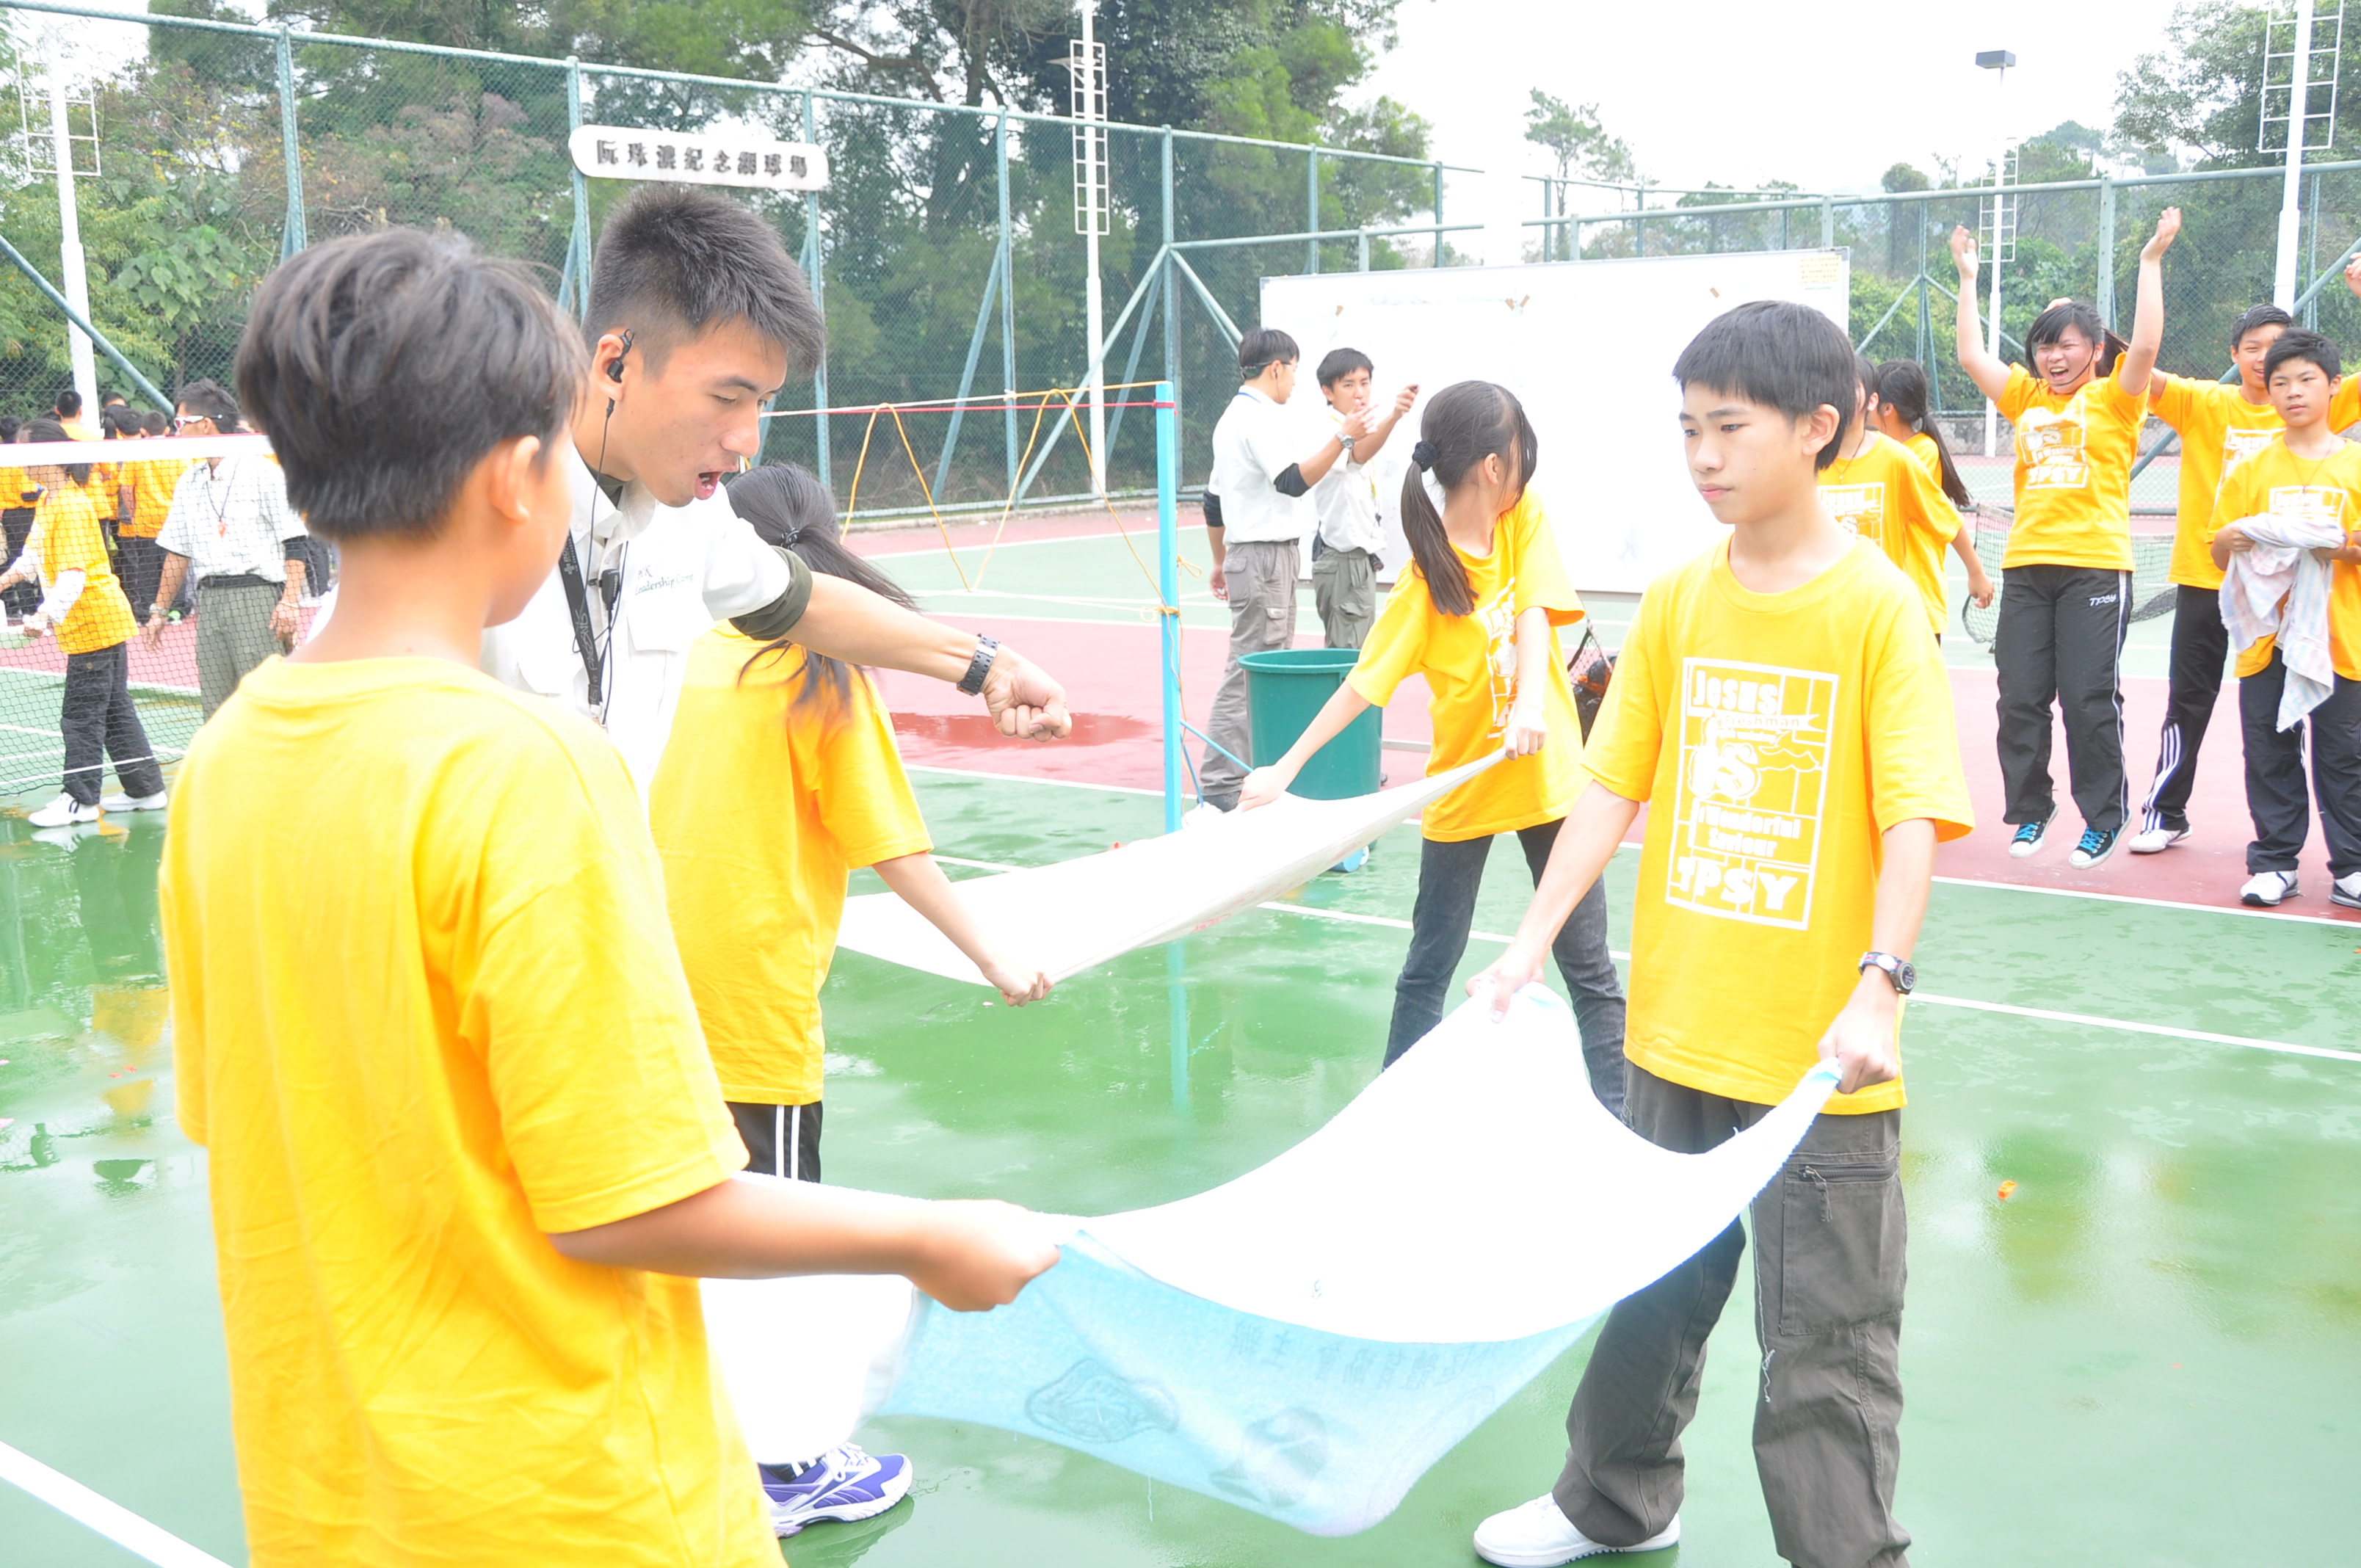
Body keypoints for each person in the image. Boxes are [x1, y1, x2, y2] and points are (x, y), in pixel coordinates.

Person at [159, 225, 1059, 1568]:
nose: (744, 440)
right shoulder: (526, 765)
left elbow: (252, 1112)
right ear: (538, 447)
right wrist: (928, 1239)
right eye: (730, 396)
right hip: (580, 1494)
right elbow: (624, 1199)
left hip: (340, 1485)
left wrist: (975, 660)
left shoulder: (226, 758)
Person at [1463, 300, 1971, 1568]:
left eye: (1729, 428)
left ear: (1818, 428)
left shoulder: (1878, 609)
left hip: (1819, 1059)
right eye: (1688, 428)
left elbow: (1913, 812)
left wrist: (1881, 984)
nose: (1702, 455)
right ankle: (1613, 1502)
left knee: (1828, 1340)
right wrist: (1528, 941)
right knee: (1651, 1287)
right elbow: (1612, 784)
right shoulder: (1683, 596)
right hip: (1678, 1029)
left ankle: (1844, 1554)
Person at [648, 461, 1053, 1536]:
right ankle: (785, 1470)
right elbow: (894, 848)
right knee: (774, 1237)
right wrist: (995, 955)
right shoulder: (816, 676)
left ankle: (687, 1432)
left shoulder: (673, 652)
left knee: (669, 1216)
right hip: (749, 1001)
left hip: (642, 989)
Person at [479, 184, 1070, 799]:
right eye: (726, 397)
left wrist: (991, 667)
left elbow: (802, 600)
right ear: (616, 366)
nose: (748, 441)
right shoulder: (471, 513)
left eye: (762, 402)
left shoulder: (693, 515)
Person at [1237, 381, 1628, 1108]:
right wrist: (1283, 769)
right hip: (1464, 789)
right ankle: (1391, 1120)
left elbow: (1535, 608)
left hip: (1550, 782)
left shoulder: (1523, 516)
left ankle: (1623, 1124)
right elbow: (1363, 685)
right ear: (1493, 465)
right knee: (1427, 971)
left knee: (1591, 974)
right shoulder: (1424, 584)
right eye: (1522, 452)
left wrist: (1530, 704)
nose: (1527, 466)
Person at [1951, 209, 2172, 869]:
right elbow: (1970, 356)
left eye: (2068, 345)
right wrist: (1968, 279)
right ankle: (2032, 809)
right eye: (2045, 346)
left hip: (2096, 568)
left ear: (2096, 350)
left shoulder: (2116, 400)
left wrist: (2151, 261)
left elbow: (2148, 348)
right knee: (2020, 698)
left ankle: (2103, 817)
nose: (2054, 356)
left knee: (2086, 699)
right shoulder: (2027, 399)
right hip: (2026, 568)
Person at [2203, 327, 2361, 910]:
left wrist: (2336, 548)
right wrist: (2231, 539)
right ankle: (2275, 863)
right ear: (2267, 391)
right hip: (2267, 640)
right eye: (2280, 382)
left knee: (2344, 756)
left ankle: (2353, 867)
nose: (2293, 392)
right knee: (2269, 752)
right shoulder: (2251, 469)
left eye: (2306, 380)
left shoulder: (2355, 464)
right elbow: (2221, 553)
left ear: (2334, 385)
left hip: (2341, 638)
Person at [1197, 327, 1371, 810]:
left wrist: (1220, 560)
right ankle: (1222, 783)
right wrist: (1343, 438)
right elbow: (1292, 481)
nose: (1295, 381)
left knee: (1256, 667)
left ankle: (1236, 776)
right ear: (1276, 369)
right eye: (1293, 370)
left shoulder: (1232, 419)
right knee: (1251, 671)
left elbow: (1212, 501)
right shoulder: (1258, 418)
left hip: (1254, 556)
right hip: (1264, 557)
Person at [0, 419, 166, 827]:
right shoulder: (49, 500)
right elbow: (33, 557)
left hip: (94, 623)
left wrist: (44, 615)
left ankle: (81, 800)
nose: (20, 461)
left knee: (81, 715)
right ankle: (146, 789)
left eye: (25, 452)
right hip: (92, 624)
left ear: (50, 455)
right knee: (115, 710)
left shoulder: (72, 506)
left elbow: (73, 576)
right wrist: (3, 579)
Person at [142, 378, 310, 716]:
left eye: (181, 423)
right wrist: (159, 611)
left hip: (257, 599)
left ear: (205, 425)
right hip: (210, 601)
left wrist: (290, 602)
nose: (176, 432)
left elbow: (294, 541)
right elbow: (177, 552)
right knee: (218, 711)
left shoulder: (263, 472)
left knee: (264, 705)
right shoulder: (189, 481)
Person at [1821, 355, 1992, 639]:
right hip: (1853, 602)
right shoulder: (1819, 460)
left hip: (1912, 591)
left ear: (1878, 403)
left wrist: (1976, 572)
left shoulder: (1905, 457)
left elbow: (1947, 519)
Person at [1308, 347, 1418, 649]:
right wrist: (1395, 415)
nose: (1359, 392)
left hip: (1352, 561)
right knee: (1349, 656)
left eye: (1365, 383)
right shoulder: (1330, 428)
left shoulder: (1353, 428)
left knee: (1351, 651)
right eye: (1348, 384)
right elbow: (1357, 454)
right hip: (1344, 561)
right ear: (1327, 391)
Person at [113, 410, 175, 620]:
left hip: (145, 521)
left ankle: (148, 611)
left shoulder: (136, 453)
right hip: (173, 521)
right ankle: (176, 610)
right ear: (167, 429)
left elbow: (126, 487)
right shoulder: (178, 452)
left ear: (143, 430)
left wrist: (133, 513)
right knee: (174, 565)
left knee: (146, 569)